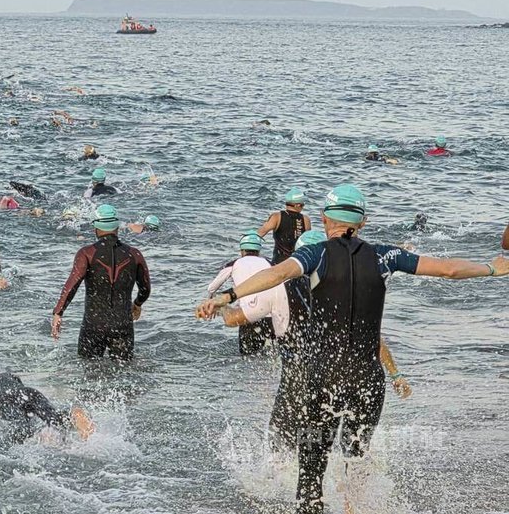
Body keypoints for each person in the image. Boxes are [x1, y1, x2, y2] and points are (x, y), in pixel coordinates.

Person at [197, 184, 509, 514]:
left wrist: (227, 296)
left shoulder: (314, 254)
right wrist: (491, 268)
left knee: (311, 476)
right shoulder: (385, 256)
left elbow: (276, 274)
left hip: (325, 378)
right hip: (368, 380)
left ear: (323, 218)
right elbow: (448, 269)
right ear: (363, 222)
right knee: (356, 465)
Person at [200, 230, 412, 451]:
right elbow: (372, 339)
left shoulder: (277, 289)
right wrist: (396, 375)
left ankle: (285, 482)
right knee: (343, 445)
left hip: (298, 379)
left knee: (282, 445)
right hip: (335, 374)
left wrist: (222, 306)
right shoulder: (343, 290)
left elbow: (235, 319)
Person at [52, 204, 151, 360]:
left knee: (88, 371)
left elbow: (73, 283)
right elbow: (145, 288)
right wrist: (138, 303)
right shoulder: (134, 254)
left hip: (93, 325)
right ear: (117, 227)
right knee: (124, 373)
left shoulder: (86, 253)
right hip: (122, 325)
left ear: (95, 228)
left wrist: (58, 312)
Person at [0, 364, 94, 448]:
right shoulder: (7, 375)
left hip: (5, 401)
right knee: (55, 419)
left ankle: (48, 443)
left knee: (20, 437)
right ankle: (73, 415)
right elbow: (21, 389)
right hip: (30, 392)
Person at [206, 231, 277, 355]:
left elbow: (212, 288)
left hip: (248, 316)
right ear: (259, 251)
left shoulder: (234, 264)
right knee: (271, 356)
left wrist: (211, 301)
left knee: (247, 358)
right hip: (271, 318)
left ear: (242, 250)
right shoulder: (270, 263)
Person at [258, 187, 311, 263]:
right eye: (302, 205)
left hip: (279, 262)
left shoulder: (277, 217)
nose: (303, 207)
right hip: (297, 262)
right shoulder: (305, 220)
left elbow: (259, 234)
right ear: (297, 205)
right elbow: (308, 244)